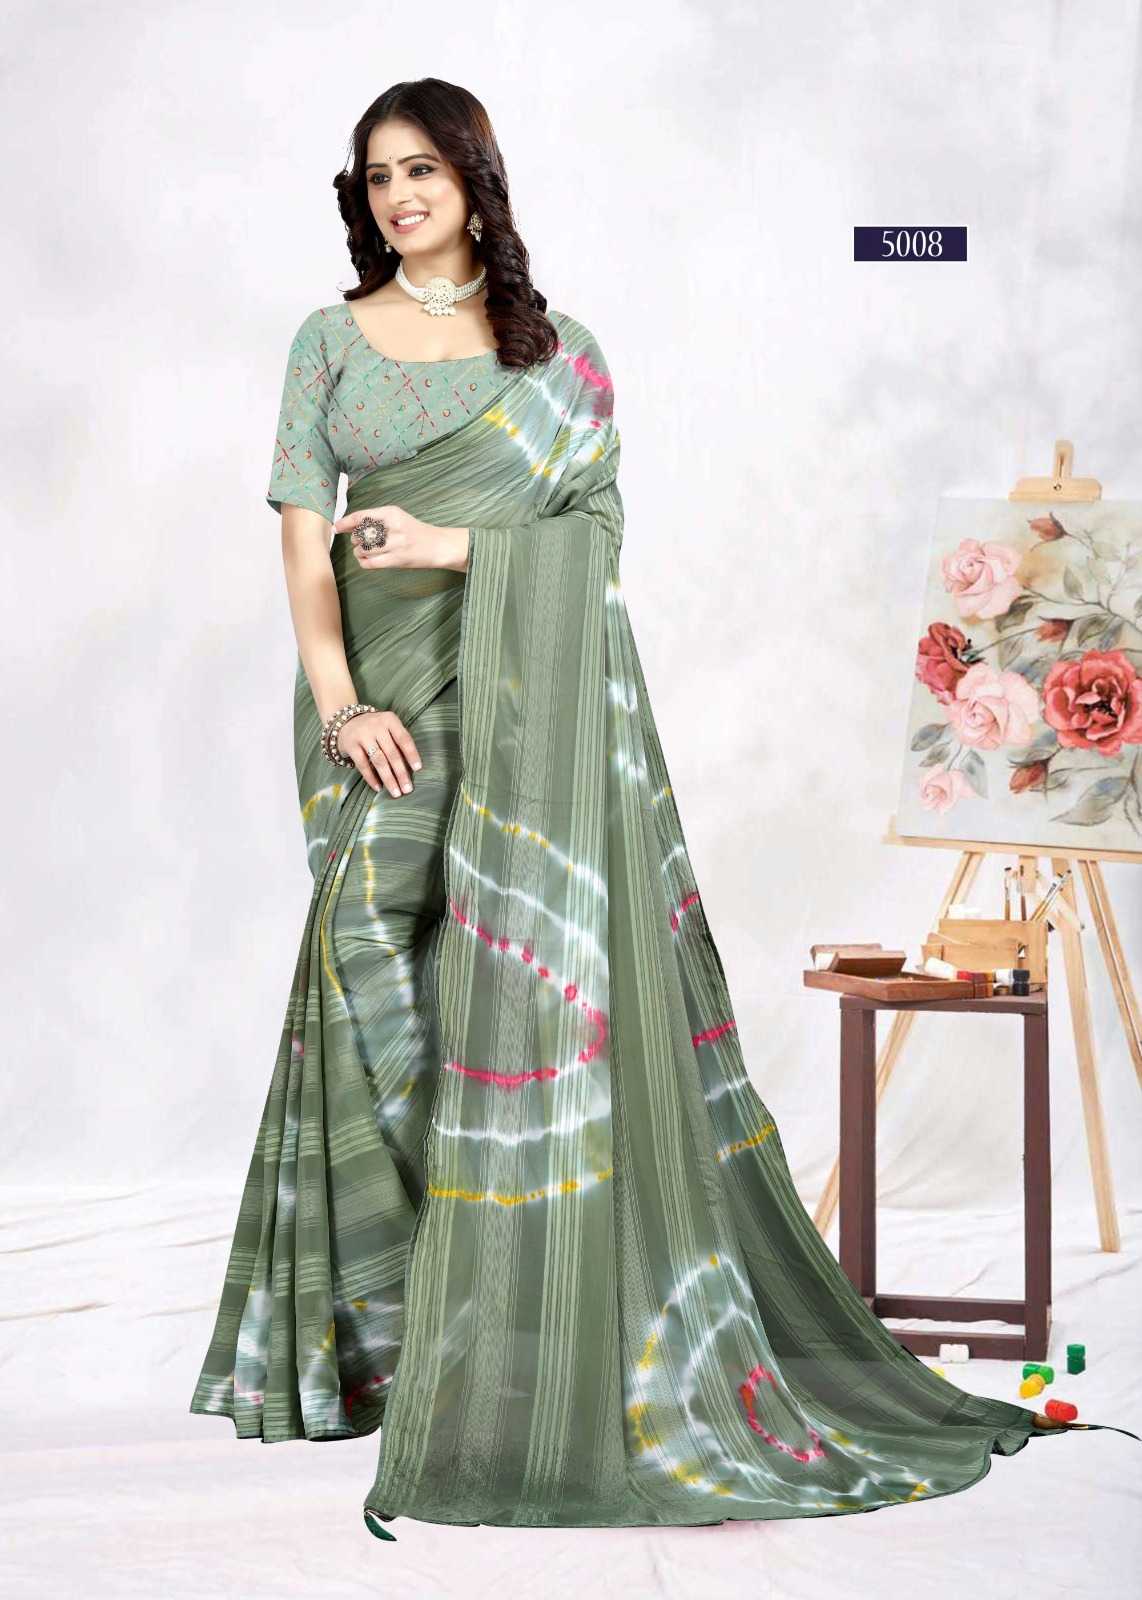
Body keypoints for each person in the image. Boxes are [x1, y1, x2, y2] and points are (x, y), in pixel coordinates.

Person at [189, 77, 1136, 1540]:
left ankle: (496, 1332)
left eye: (423, 168)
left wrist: (453, 543)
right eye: (377, 175)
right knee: (368, 967)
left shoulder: (560, 355)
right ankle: (398, 1326)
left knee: (517, 988)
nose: (400, 195)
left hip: (519, 701)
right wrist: (341, 707)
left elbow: (595, 538)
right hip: (375, 701)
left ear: (475, 180)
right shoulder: (328, 339)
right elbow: (304, 550)